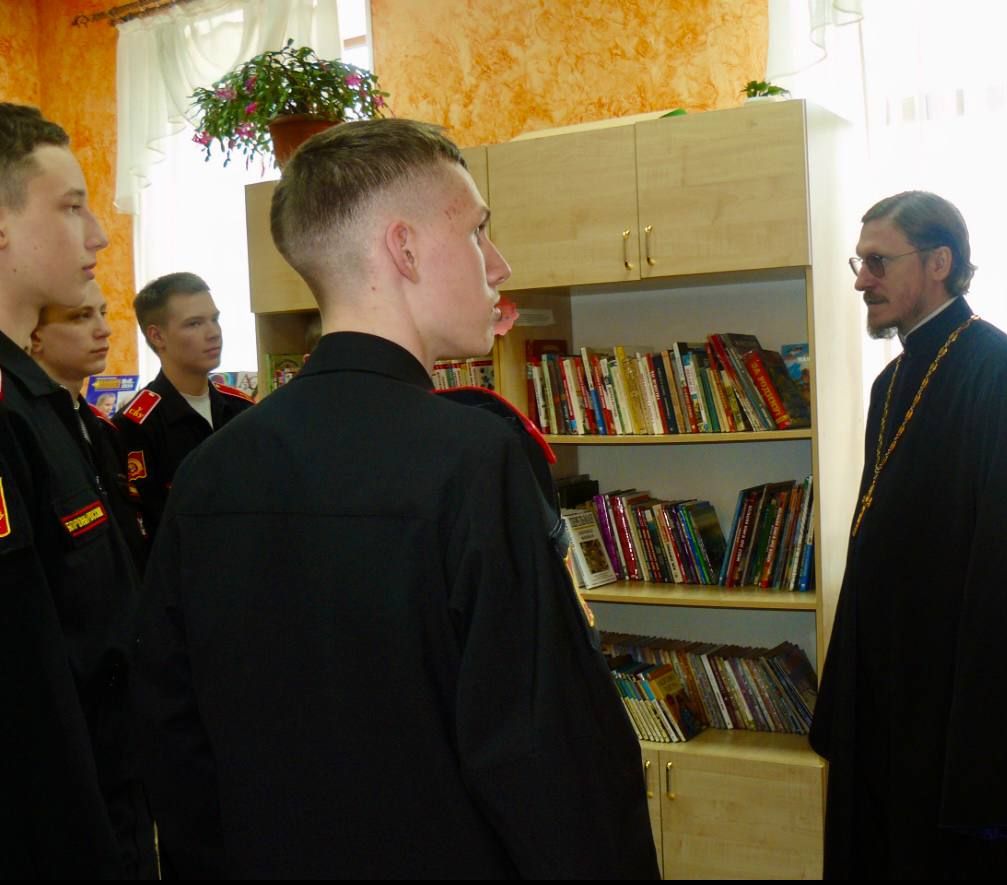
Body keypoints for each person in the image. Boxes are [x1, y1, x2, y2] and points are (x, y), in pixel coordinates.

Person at [133, 118, 660, 879]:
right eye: (477, 232)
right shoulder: (474, 460)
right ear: (404, 249)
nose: (499, 264)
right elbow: (550, 756)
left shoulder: (211, 471)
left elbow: (175, 739)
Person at [809, 191, 1007, 878]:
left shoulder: (999, 373)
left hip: (961, 705)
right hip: (892, 692)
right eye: (859, 263)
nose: (861, 280)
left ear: (938, 262)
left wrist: (979, 725)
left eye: (878, 262)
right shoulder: (890, 384)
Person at [0, 102, 148, 877]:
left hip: (109, 787)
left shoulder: (42, 404)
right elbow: (23, 683)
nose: (97, 235)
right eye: (69, 206)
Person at [114, 271, 252, 547]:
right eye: (194, 324)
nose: (213, 333)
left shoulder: (242, 409)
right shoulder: (135, 424)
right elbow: (148, 527)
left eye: (215, 319)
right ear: (157, 336)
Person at [30, 281, 149, 573]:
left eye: (103, 313)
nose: (104, 329)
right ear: (34, 335)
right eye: (81, 316)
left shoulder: (103, 428)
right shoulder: (25, 431)